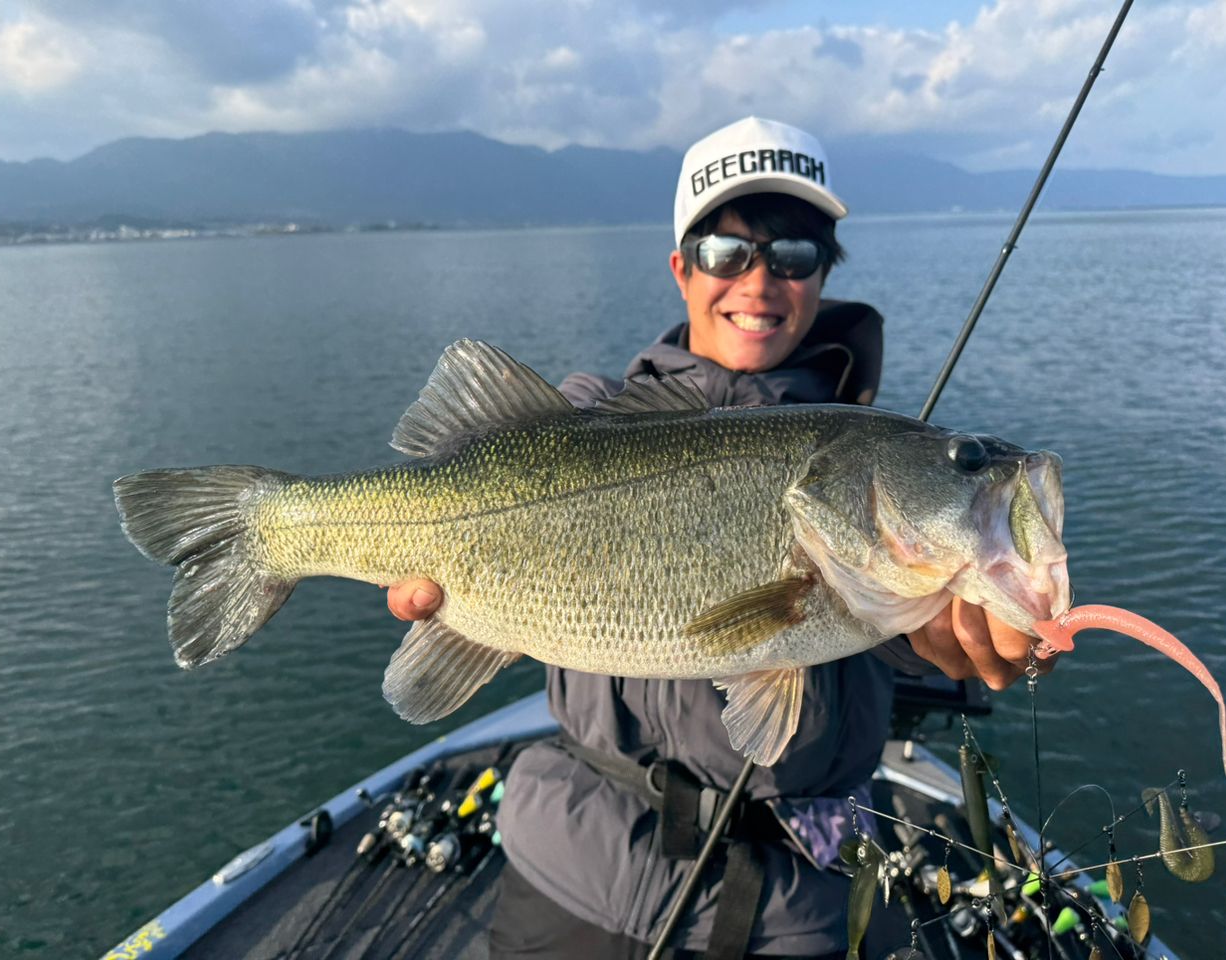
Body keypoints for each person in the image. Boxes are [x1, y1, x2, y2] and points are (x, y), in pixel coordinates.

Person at [386, 117, 1046, 959]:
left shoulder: (872, 447)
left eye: (795, 254)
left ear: (824, 273)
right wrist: (452, 591)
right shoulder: (586, 415)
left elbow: (910, 634)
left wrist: (962, 636)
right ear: (682, 268)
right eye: (726, 251)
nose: (759, 280)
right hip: (574, 857)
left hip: (796, 908)